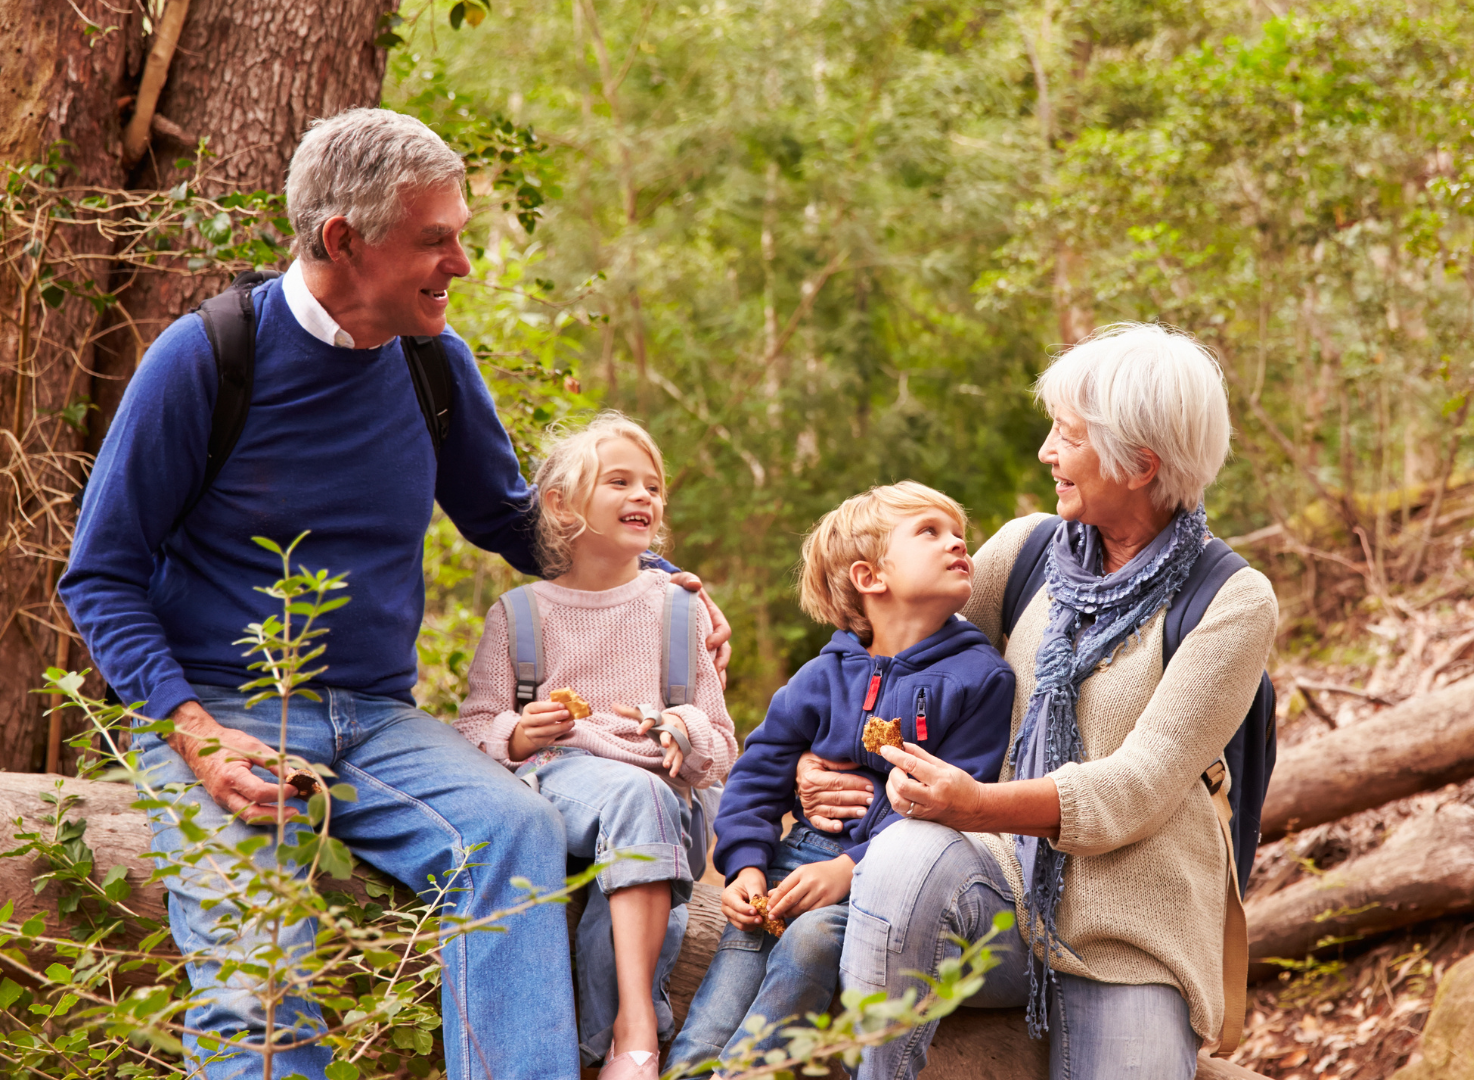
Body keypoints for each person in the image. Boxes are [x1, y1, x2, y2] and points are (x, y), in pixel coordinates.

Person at [58, 108, 730, 1080]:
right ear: (345, 240)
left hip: (377, 720)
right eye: (436, 240)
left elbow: (511, 521)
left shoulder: (432, 364)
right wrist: (198, 737)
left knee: (517, 834)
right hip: (230, 710)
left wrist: (666, 586)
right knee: (260, 984)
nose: (461, 262)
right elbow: (102, 575)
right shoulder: (206, 359)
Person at [807, 324, 1280, 1080]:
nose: (1046, 453)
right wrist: (813, 749)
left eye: (1066, 436)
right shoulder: (1028, 549)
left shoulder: (1232, 599)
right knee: (902, 855)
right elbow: (901, 667)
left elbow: (1139, 787)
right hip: (996, 892)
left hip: (1132, 935)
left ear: (1138, 464)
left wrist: (976, 802)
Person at [666, 482, 1016, 1074]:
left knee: (812, 941)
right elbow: (759, 770)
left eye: (959, 531)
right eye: (929, 531)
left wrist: (847, 869)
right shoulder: (822, 675)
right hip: (787, 863)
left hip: (884, 883)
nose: (957, 540)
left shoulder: (981, 679)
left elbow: (953, 806)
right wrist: (746, 865)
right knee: (715, 1012)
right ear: (869, 577)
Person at [456, 413, 736, 1080]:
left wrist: (682, 731)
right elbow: (473, 729)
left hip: (666, 801)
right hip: (561, 782)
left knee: (645, 798)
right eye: (620, 482)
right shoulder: (521, 614)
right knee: (633, 798)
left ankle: (591, 1049)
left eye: (654, 486)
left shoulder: (679, 610)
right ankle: (636, 1025)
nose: (644, 496)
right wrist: (519, 732)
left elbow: (721, 745)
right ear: (560, 504)